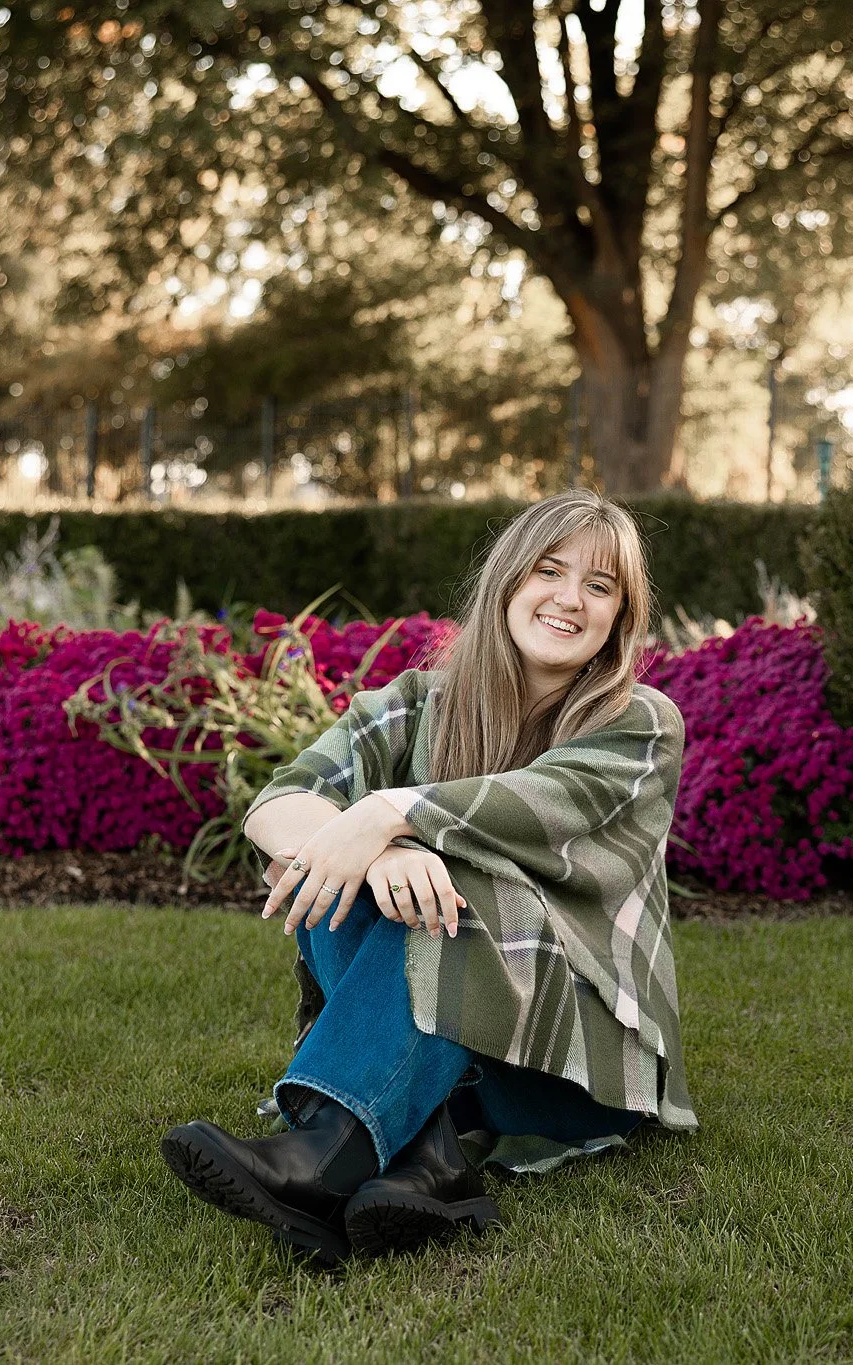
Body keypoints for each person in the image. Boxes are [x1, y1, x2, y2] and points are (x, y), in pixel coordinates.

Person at [161, 489, 693, 1263]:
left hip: (572, 1068)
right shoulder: (418, 702)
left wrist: (389, 815)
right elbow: (277, 805)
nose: (570, 599)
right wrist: (377, 848)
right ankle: (427, 1164)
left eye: (600, 586)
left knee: (461, 876)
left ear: (620, 615)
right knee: (336, 871)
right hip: (461, 1071)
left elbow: (524, 808)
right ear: (509, 578)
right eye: (551, 570)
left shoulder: (638, 723)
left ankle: (327, 1154)